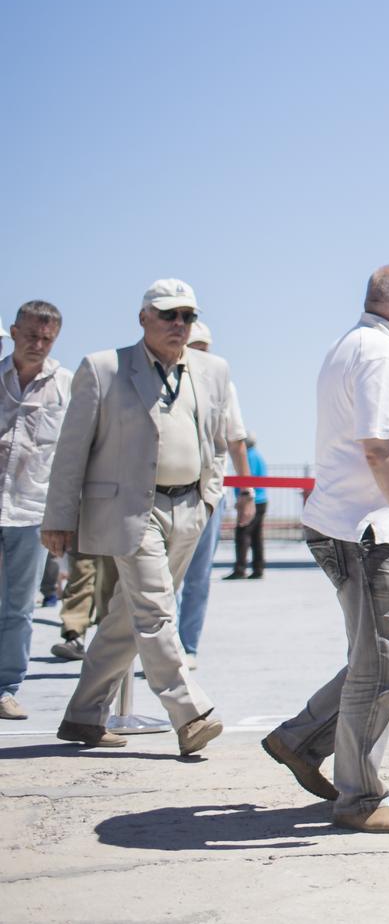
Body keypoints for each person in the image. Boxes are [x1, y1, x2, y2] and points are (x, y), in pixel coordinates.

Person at [263, 265, 389, 834]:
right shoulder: (378, 355)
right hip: (371, 533)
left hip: (376, 530)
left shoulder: (365, 347)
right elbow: (382, 448)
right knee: (380, 662)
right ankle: (360, 798)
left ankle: (301, 739)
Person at [41, 279, 244, 755]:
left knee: (127, 616)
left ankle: (83, 715)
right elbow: (72, 451)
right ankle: (188, 713)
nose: (179, 324)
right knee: (155, 611)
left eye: (187, 316)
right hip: (132, 511)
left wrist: (209, 496)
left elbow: (216, 440)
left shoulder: (213, 370)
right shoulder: (104, 368)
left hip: (190, 509)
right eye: (169, 315)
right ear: (144, 318)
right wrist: (59, 518)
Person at [0, 301, 71, 720]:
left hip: (31, 513)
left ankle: (6, 687)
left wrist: (64, 518)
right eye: (31, 336)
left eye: (46, 338)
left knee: (19, 607)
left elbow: (71, 456)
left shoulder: (65, 386)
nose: (38, 344)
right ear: (13, 332)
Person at [177, 318, 253, 662]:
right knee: (163, 578)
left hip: (209, 493)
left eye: (204, 350)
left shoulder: (223, 384)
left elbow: (236, 441)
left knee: (198, 575)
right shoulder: (161, 381)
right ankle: (163, 649)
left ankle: (187, 646)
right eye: (194, 350)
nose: (199, 357)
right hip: (164, 492)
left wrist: (246, 493)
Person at [229, 438, 267, 577]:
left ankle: (240, 568)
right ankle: (258, 568)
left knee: (242, 535)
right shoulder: (258, 456)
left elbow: (244, 478)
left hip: (252, 500)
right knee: (257, 537)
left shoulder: (247, 457)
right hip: (261, 499)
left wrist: (242, 498)